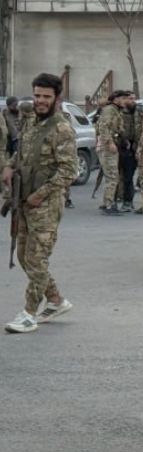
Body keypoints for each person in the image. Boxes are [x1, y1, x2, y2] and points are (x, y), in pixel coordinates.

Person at [3, 73, 77, 334]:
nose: (40, 101)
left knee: (36, 259)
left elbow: (69, 171)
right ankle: (55, 300)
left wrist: (41, 194)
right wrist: (9, 166)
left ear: (57, 97)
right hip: (24, 200)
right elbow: (21, 152)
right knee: (24, 257)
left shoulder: (62, 129)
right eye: (37, 95)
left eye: (46, 96)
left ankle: (29, 313)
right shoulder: (31, 120)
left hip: (45, 206)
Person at [94, 94, 122, 214]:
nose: (124, 101)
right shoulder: (110, 110)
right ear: (116, 99)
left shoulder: (114, 110)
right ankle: (109, 205)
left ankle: (107, 202)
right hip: (107, 148)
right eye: (122, 98)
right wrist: (110, 143)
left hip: (108, 147)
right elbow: (103, 128)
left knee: (110, 176)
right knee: (112, 176)